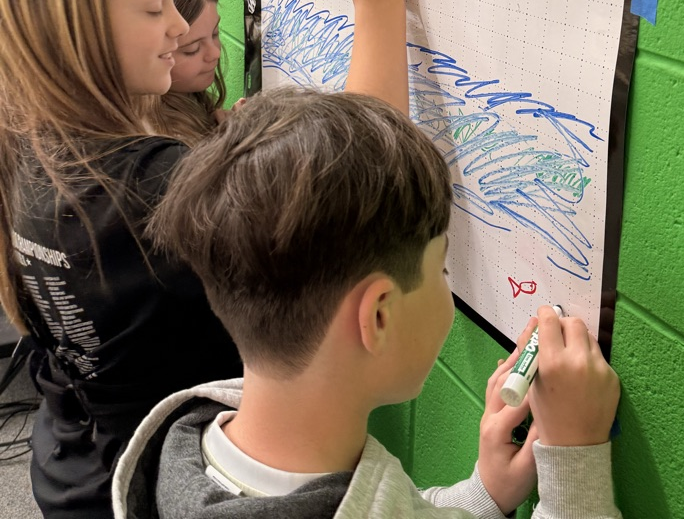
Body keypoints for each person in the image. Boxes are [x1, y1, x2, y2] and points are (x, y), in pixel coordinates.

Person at [0, 0, 407, 519]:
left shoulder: (32, 142)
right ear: (78, 30)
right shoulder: (148, 184)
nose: (177, 29)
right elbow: (376, 181)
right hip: (145, 480)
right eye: (156, 7)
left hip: (75, 459)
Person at [113, 88, 622, 519]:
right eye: (442, 270)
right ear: (378, 316)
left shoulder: (187, 444)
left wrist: (484, 494)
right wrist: (574, 459)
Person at [146, 0, 233, 144]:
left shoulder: (187, 93)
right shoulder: (167, 142)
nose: (215, 53)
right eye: (192, 49)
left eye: (215, 33)